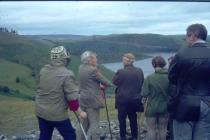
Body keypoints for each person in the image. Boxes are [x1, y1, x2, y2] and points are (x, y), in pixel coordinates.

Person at [35, 46, 86, 140]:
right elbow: (72, 100)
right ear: (64, 59)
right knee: (70, 135)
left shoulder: (43, 70)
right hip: (57, 114)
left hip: (41, 111)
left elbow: (39, 88)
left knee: (45, 135)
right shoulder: (67, 74)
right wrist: (80, 113)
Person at [168, 23, 210, 140]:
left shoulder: (181, 54)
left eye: (187, 36)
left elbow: (172, 78)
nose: (186, 40)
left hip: (184, 103)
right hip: (207, 103)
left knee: (182, 137)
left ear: (193, 35)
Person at [76, 50, 112, 140]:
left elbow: (89, 81)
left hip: (82, 98)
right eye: (95, 58)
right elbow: (106, 82)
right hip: (92, 100)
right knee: (94, 123)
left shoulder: (81, 67)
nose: (96, 60)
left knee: (84, 123)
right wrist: (108, 85)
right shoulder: (93, 70)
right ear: (90, 59)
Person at [112, 53, 144, 140]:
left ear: (127, 61)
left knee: (122, 119)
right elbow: (141, 82)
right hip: (135, 99)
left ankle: (123, 137)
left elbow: (115, 82)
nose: (122, 62)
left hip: (122, 100)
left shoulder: (121, 71)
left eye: (123, 60)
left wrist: (116, 74)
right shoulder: (139, 70)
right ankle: (134, 136)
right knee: (133, 118)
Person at [141, 56, 169, 140]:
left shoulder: (149, 78)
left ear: (153, 65)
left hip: (151, 108)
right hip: (165, 108)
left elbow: (144, 93)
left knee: (151, 129)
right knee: (163, 129)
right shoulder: (169, 77)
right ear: (163, 64)